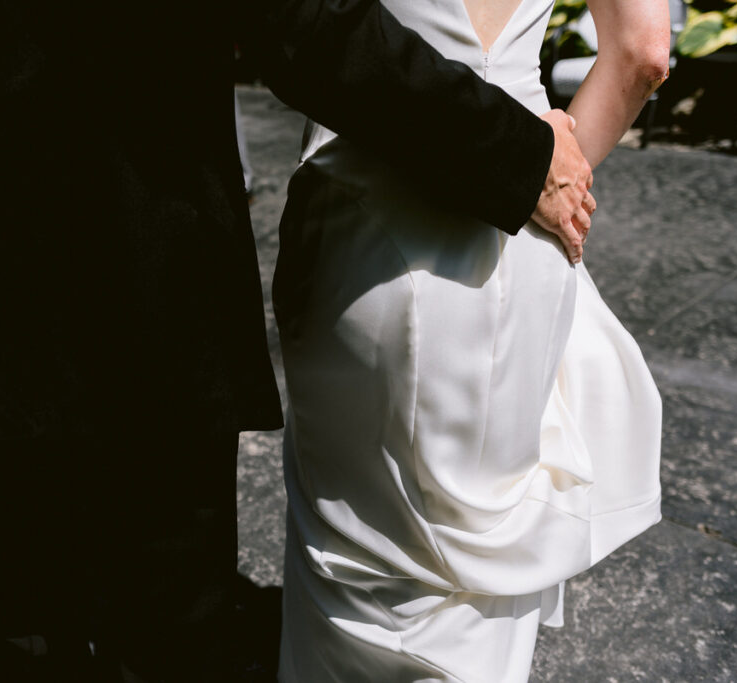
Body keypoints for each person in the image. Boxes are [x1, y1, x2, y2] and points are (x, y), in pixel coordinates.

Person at [0, 0, 592, 679]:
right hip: (144, 266)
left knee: (40, 569)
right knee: (172, 620)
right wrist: (516, 154)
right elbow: (301, 25)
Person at [274, 0, 671, 680]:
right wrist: (551, 182)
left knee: (351, 559)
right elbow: (642, 51)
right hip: (522, 218)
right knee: (487, 571)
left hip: (369, 216)